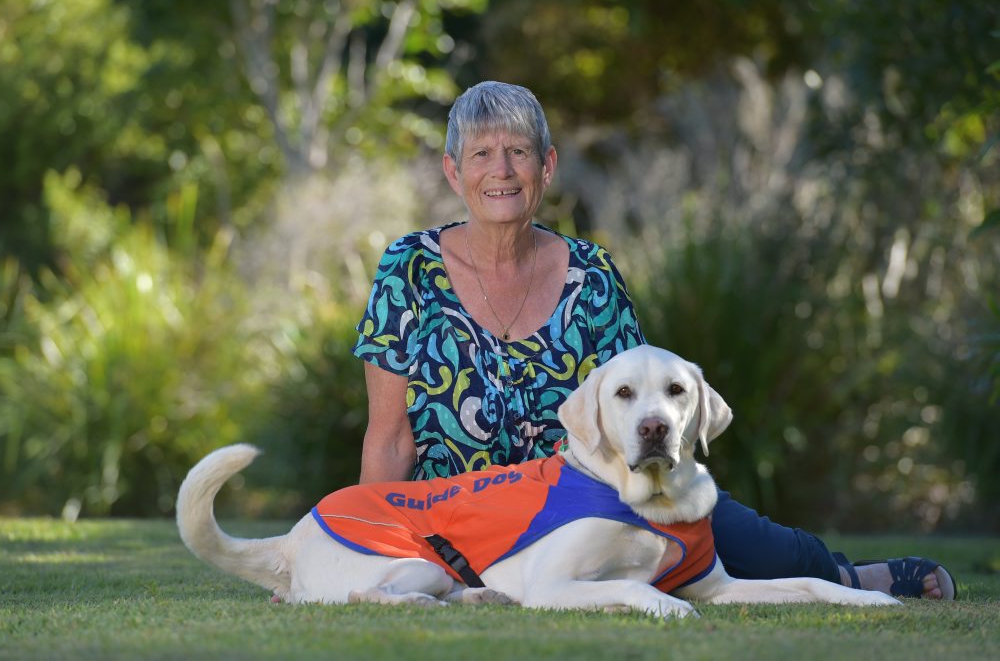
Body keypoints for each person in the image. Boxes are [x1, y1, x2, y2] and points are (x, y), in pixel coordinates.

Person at [350, 81, 956, 601]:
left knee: (744, 536)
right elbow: (389, 437)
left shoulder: (592, 277)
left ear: (548, 166)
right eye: (481, 153)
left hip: (588, 504)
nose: (501, 171)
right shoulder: (408, 269)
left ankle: (846, 576)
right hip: (459, 517)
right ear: (454, 172)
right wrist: (363, 550)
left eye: (518, 152)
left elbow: (641, 403)